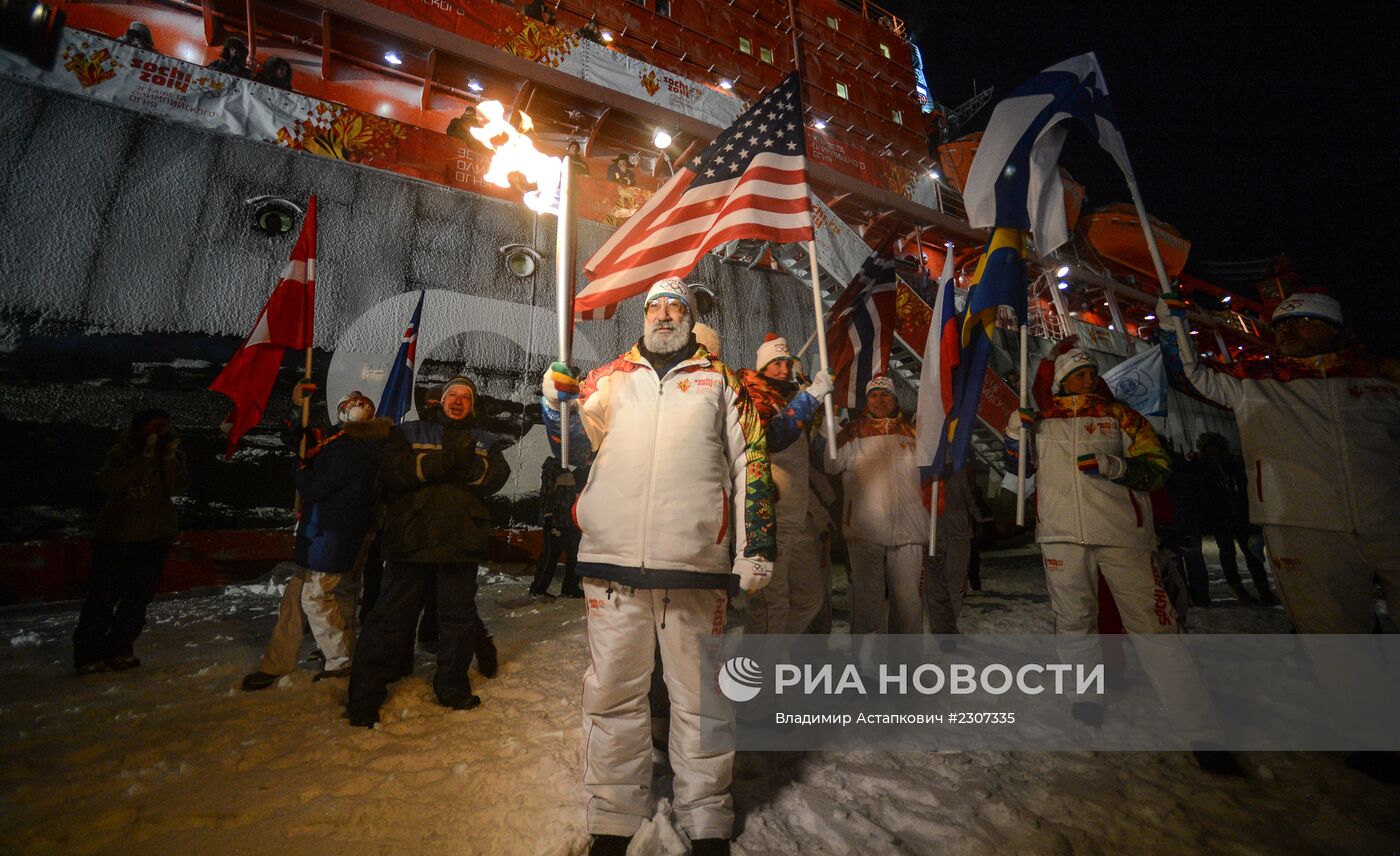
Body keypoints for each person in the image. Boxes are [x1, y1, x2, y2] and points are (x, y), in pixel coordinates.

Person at [540, 277, 775, 856]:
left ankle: (708, 819)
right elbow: (568, 442)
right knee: (613, 696)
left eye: (676, 307)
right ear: (643, 317)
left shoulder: (721, 380)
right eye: (655, 306)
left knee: (701, 702)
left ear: (691, 318)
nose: (664, 314)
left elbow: (754, 463)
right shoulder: (611, 378)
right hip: (611, 564)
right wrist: (555, 401)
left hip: (695, 567)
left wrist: (756, 547)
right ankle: (614, 816)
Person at [1159, 291, 1400, 782]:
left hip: (1388, 517)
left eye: (1304, 323)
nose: (1287, 332)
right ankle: (1373, 735)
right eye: (1282, 326)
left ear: (1335, 328)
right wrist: (1171, 331)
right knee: (1336, 642)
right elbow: (1188, 377)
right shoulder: (1256, 386)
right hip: (1302, 526)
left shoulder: (1380, 381)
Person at [1012, 343, 1238, 774]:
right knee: (1074, 621)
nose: (1088, 379)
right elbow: (1017, 470)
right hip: (1061, 537)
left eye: (1091, 372)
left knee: (1155, 627)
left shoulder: (1121, 416)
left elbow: (1158, 466)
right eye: (1077, 374)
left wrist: (1116, 467)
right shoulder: (1042, 422)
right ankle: (1086, 696)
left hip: (1123, 535)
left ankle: (1199, 727)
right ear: (1060, 380)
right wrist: (1013, 435)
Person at [345, 375, 509, 727]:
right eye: (454, 394)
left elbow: (495, 476)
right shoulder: (409, 432)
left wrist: (464, 464)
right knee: (389, 622)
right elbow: (392, 470)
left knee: (457, 623)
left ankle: (452, 689)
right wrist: (437, 465)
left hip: (459, 546)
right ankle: (363, 699)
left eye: (466, 396)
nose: (459, 401)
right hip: (412, 544)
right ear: (440, 400)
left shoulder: (485, 440)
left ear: (473, 405)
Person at [243, 390, 389, 690]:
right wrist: (297, 407)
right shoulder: (332, 440)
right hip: (321, 529)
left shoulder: (363, 446)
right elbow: (297, 440)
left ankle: (340, 657)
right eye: (351, 402)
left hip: (339, 532)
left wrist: (301, 472)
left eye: (363, 403)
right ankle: (287, 659)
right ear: (340, 411)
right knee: (304, 596)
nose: (357, 406)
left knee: (318, 596)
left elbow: (316, 484)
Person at [73, 409, 188, 673]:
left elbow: (175, 488)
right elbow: (111, 483)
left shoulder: (173, 454)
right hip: (119, 535)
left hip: (155, 535)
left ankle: (120, 648)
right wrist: (145, 459)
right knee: (103, 595)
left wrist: (167, 459)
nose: (159, 431)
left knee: (138, 597)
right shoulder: (120, 451)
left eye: (164, 426)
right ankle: (89, 652)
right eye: (154, 426)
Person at [737, 333, 833, 635]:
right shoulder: (751, 397)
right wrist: (811, 397)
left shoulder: (789, 400)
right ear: (762, 368)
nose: (783, 369)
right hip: (769, 518)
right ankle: (756, 674)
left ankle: (771, 656)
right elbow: (773, 437)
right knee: (771, 605)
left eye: (787, 363)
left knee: (809, 599)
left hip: (798, 517)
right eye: (775, 363)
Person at [825, 376, 926, 634]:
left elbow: (933, 469)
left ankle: (906, 664)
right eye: (873, 395)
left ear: (895, 399)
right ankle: (868, 664)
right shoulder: (853, 432)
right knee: (868, 600)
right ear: (866, 400)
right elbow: (831, 464)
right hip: (864, 529)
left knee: (908, 602)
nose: (879, 400)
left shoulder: (914, 432)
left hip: (909, 528)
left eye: (885, 394)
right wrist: (832, 428)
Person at [1195, 432, 1276, 604]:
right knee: (1228, 554)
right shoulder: (1202, 469)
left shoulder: (1232, 465)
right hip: (1220, 517)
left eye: (1215, 446)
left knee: (1251, 553)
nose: (1213, 451)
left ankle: (1263, 590)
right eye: (1210, 447)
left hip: (1238, 514)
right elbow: (1203, 495)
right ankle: (1239, 591)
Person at [924, 468, 980, 636]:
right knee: (952, 585)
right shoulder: (958, 465)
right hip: (953, 532)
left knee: (939, 585)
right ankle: (946, 630)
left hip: (936, 531)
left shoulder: (926, 462)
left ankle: (943, 629)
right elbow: (969, 496)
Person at [528, 454, 586, 598]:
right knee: (550, 556)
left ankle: (570, 587)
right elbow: (546, 493)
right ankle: (538, 589)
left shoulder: (565, 469)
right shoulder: (551, 469)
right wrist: (548, 517)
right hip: (556, 522)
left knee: (574, 556)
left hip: (569, 521)